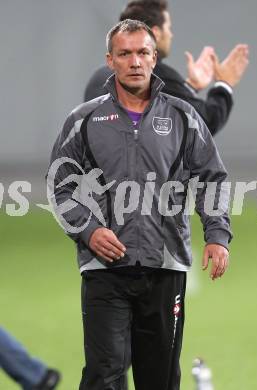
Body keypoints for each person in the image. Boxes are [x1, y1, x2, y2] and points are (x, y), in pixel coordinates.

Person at [48, 19, 232, 390]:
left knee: (160, 378)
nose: (135, 61)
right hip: (104, 269)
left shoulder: (183, 117)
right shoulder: (85, 119)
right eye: (125, 53)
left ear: (153, 59)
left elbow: (211, 176)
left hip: (164, 267)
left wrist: (217, 234)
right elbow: (59, 184)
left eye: (143, 52)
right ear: (110, 60)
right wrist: (88, 230)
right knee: (105, 373)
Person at [84, 0, 249, 136]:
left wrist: (189, 87)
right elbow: (203, 122)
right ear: (155, 33)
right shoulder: (154, 75)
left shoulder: (98, 77)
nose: (171, 34)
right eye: (168, 28)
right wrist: (224, 84)